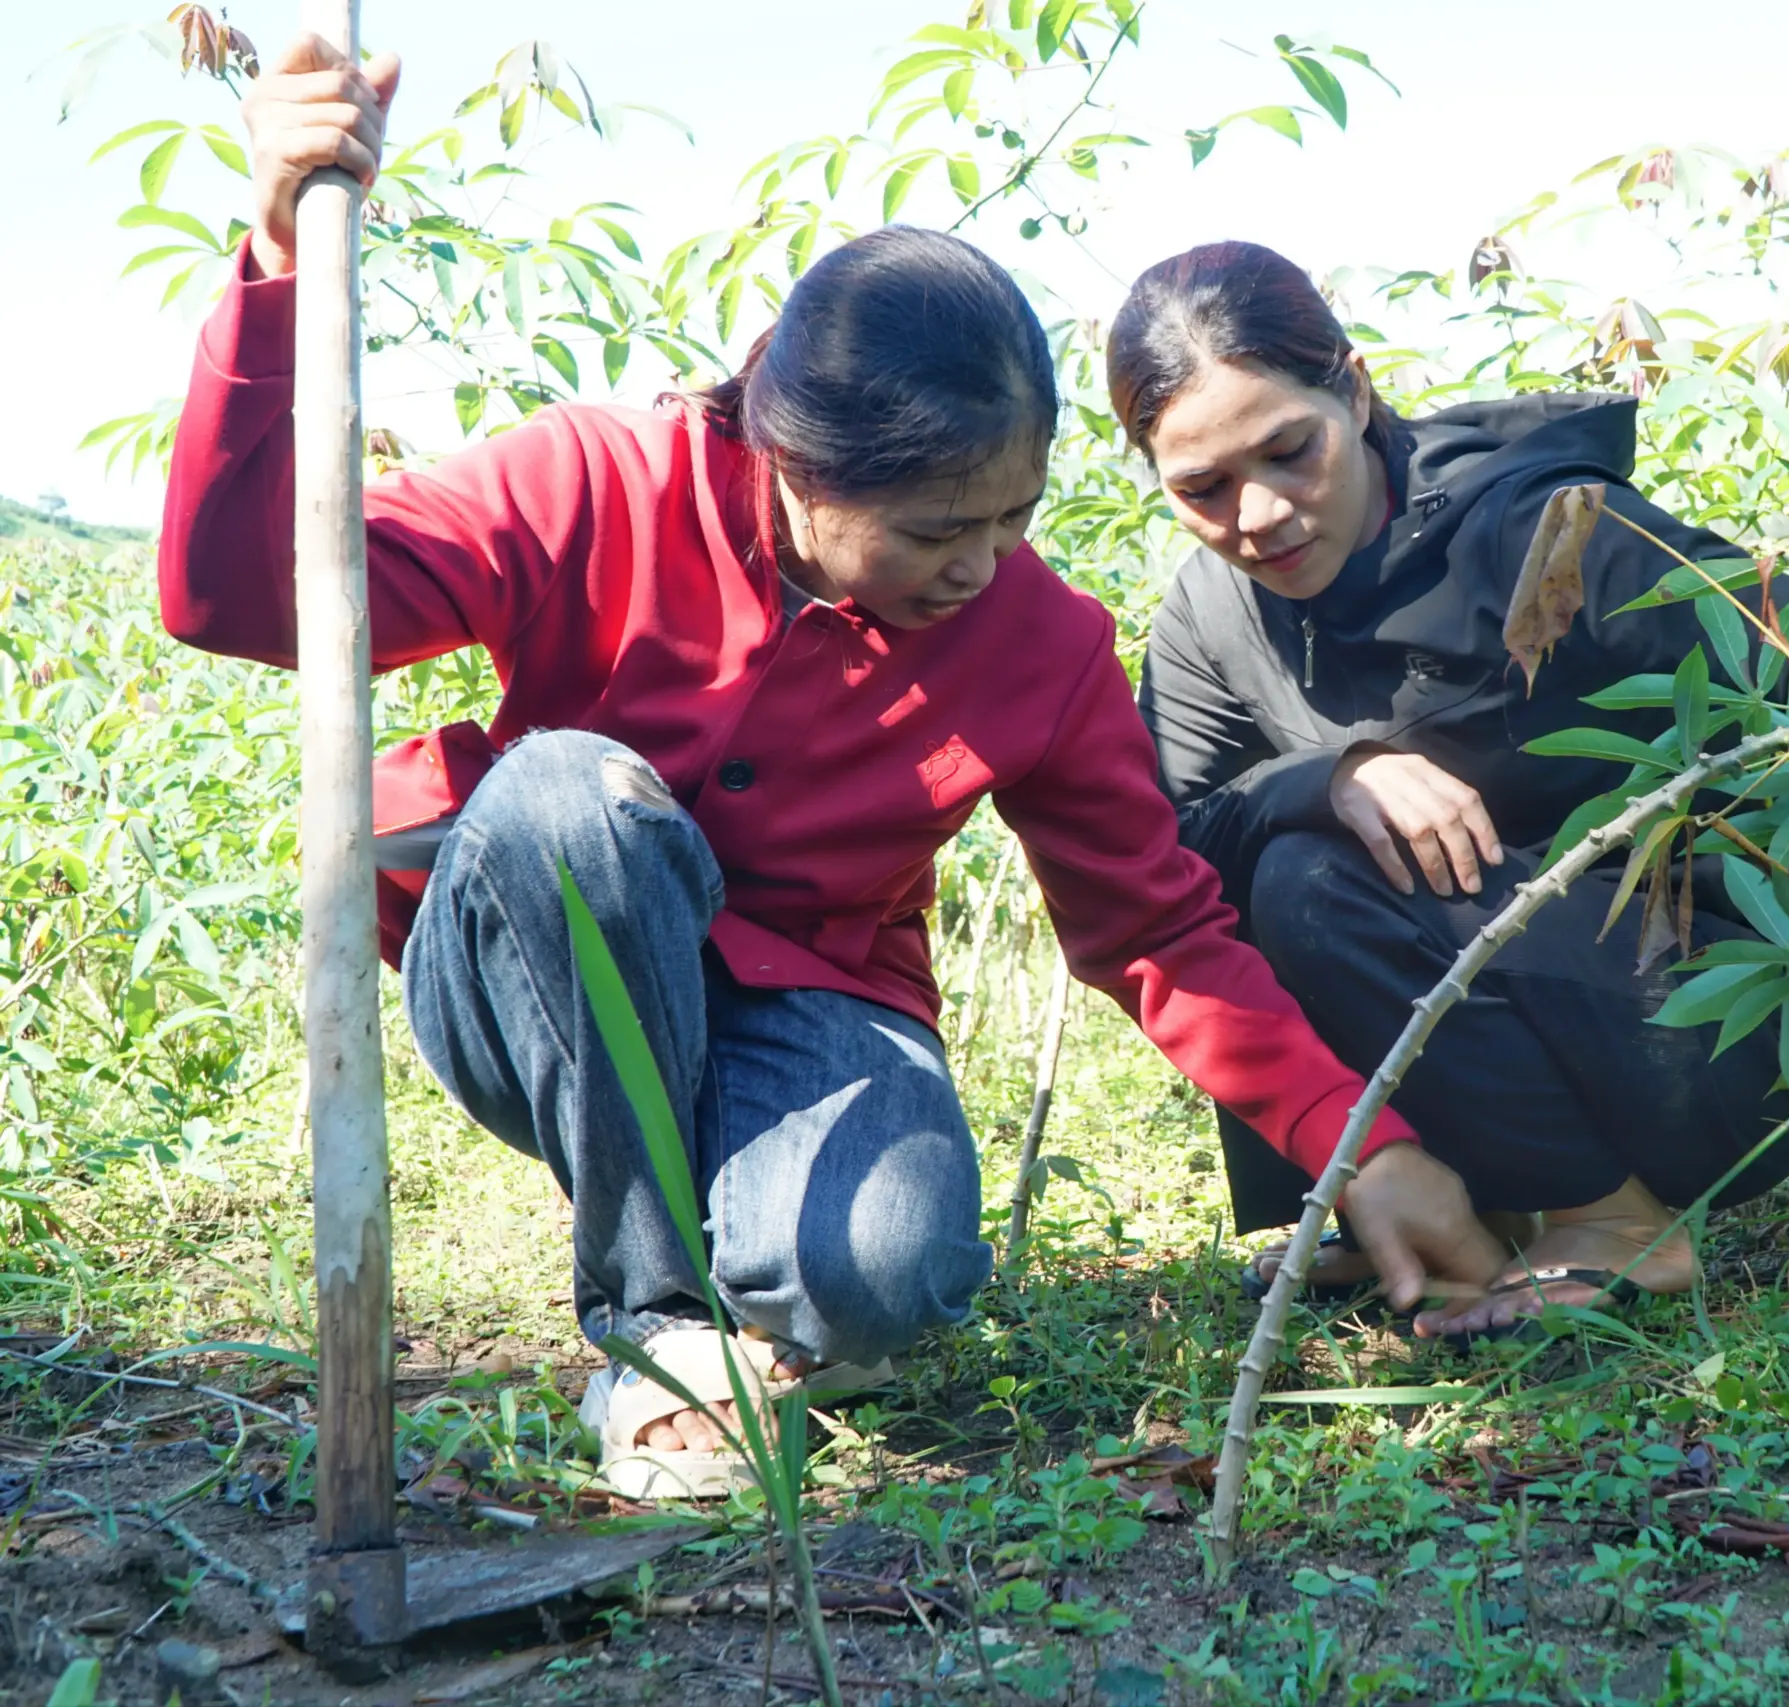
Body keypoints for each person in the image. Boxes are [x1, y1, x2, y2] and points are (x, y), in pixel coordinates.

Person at [161, 42, 1506, 1496]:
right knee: (576, 798)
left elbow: (1156, 932)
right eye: (936, 527)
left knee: (892, 1274)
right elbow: (238, 593)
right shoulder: (596, 482)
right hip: (541, 961)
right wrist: (284, 243)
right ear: (793, 463)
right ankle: (662, 1329)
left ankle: (764, 1311)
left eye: (1013, 513)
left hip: (815, 999)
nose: (979, 564)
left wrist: (1363, 1147)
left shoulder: (1039, 639)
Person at [1110, 242, 1789, 1342]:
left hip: (1712, 1033)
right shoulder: (1211, 614)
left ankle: (1608, 1224)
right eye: (1202, 489)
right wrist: (1330, 776)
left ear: (1353, 392)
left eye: (1287, 452)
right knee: (1280, 852)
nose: (1257, 515)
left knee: (1307, 877)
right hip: (1512, 1033)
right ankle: (1455, 1205)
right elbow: (1160, 862)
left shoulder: (1542, 530)